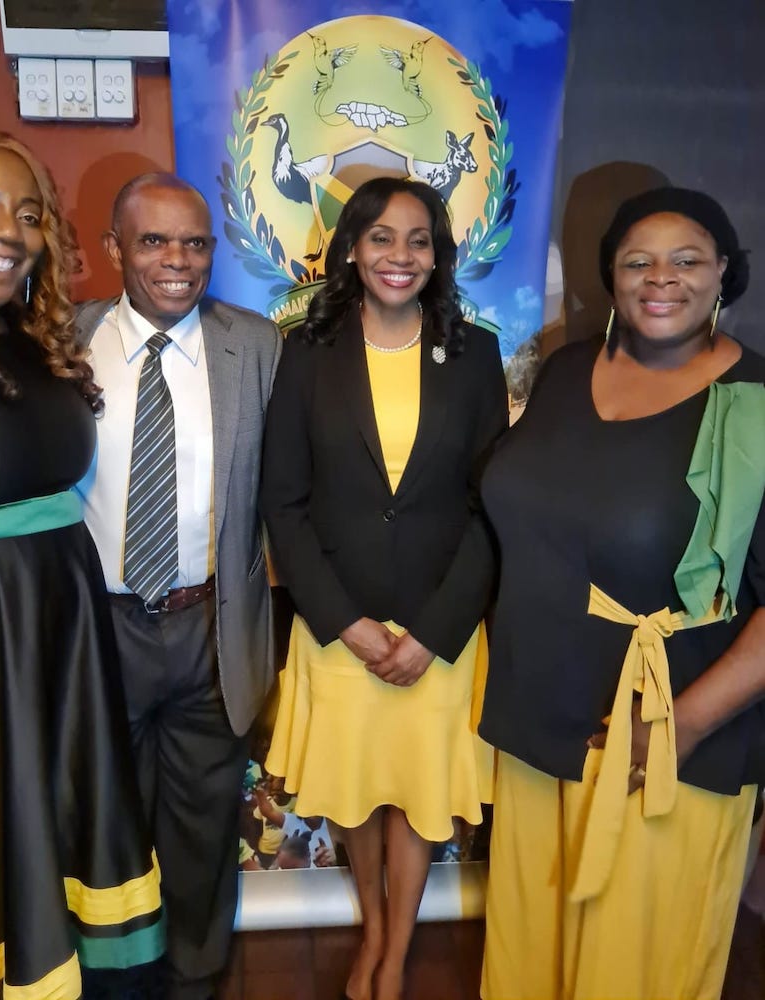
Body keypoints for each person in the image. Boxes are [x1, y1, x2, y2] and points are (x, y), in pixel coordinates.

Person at [0, 125, 164, 1000]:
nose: (8, 231)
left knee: (46, 858)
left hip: (54, 646)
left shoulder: (32, 334)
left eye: (28, 213)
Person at [479, 186, 765, 1000]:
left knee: (636, 969)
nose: (659, 277)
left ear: (723, 276)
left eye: (687, 260)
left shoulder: (756, 406)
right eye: (637, 260)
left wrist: (681, 728)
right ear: (610, 275)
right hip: (540, 722)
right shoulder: (570, 369)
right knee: (533, 956)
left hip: (661, 741)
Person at [261, 176, 508, 1000]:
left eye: (418, 240)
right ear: (353, 250)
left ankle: (396, 954)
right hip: (340, 628)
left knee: (414, 798)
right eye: (381, 238)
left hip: (438, 628)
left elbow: (490, 507)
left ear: (438, 255)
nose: (399, 256)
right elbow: (283, 506)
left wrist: (437, 631)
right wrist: (349, 626)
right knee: (359, 797)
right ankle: (371, 929)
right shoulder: (307, 353)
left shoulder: (475, 355)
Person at [74, 172, 282, 1000]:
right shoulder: (61, 336)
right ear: (114, 249)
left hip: (210, 628)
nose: (178, 260)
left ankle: (195, 979)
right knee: (102, 819)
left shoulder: (258, 346)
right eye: (154, 240)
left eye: (195, 242)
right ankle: (112, 979)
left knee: (201, 828)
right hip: (98, 628)